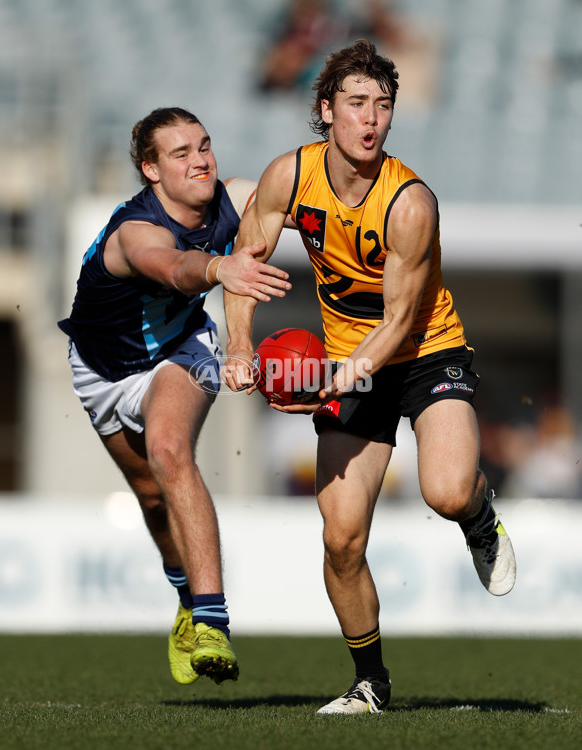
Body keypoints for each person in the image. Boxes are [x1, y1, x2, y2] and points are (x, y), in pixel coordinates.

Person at [223, 40, 517, 714]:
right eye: (357, 103)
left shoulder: (410, 201)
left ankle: (480, 517)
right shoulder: (287, 177)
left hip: (424, 351)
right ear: (326, 110)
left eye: (383, 106)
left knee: (444, 491)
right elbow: (244, 263)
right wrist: (239, 344)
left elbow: (397, 320)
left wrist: (333, 379)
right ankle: (371, 683)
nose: (372, 118)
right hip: (347, 359)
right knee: (341, 535)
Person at [58, 107, 291, 686]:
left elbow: (294, 198)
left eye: (204, 145)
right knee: (151, 497)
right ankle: (187, 600)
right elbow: (174, 266)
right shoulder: (135, 232)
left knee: (168, 451)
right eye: (180, 153)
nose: (200, 160)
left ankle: (213, 621)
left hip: (181, 350)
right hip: (100, 371)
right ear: (151, 170)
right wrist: (219, 268)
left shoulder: (234, 198)